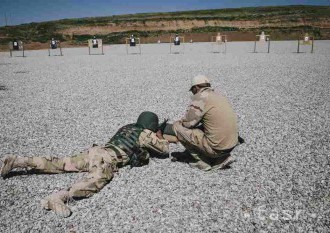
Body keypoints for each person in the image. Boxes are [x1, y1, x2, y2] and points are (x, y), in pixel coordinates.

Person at [1, 111, 169, 217]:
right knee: (95, 181)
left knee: (61, 163)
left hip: (95, 151)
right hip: (107, 159)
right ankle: (59, 197)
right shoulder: (146, 133)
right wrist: (159, 135)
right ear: (152, 125)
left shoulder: (127, 127)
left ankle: (18, 161)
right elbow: (163, 150)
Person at [170, 75, 243, 171]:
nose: (193, 93)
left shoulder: (201, 97)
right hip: (231, 145)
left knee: (177, 126)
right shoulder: (219, 96)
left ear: (196, 88)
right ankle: (221, 158)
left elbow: (188, 123)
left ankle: (202, 161)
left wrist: (181, 122)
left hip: (217, 149)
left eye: (192, 90)